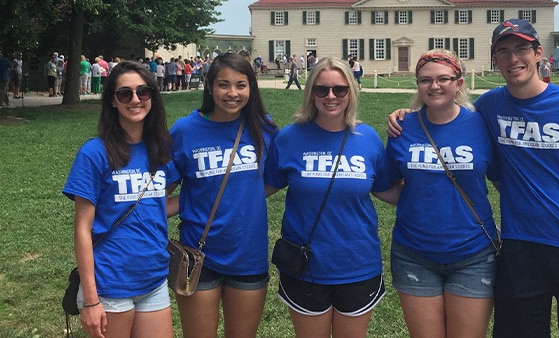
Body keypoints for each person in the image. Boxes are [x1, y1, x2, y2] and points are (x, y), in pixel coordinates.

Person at [388, 18, 559, 337]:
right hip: (520, 250)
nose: (513, 59)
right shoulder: (489, 107)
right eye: (503, 52)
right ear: (495, 60)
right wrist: (404, 115)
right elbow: (446, 119)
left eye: (521, 49)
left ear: (539, 53)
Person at [265, 57, 390, 338]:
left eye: (339, 89)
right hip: (305, 266)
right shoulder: (289, 137)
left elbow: (385, 189)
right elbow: (261, 188)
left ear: (351, 91)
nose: (330, 97)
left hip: (358, 264)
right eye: (321, 90)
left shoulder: (367, 138)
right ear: (311, 92)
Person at [380, 49, 497, 338]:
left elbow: (508, 179)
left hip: (473, 252)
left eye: (444, 78)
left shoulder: (483, 124)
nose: (434, 86)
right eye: (425, 80)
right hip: (414, 252)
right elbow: (385, 185)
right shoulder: (402, 127)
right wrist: (418, 198)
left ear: (459, 83)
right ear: (417, 85)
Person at [62, 60, 177, 338]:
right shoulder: (94, 153)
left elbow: (153, 205)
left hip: (154, 279)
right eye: (124, 94)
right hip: (110, 283)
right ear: (112, 101)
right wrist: (90, 299)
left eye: (143, 92)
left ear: (153, 96)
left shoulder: (160, 149)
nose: (135, 100)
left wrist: (199, 199)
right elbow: (82, 229)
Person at [167, 52, 278, 338]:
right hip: (198, 254)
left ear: (251, 88)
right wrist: (189, 201)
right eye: (223, 85)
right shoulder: (185, 130)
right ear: (209, 86)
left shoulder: (263, 128)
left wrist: (245, 197)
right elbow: (159, 193)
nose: (232, 93)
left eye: (241, 85)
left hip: (248, 255)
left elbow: (275, 180)